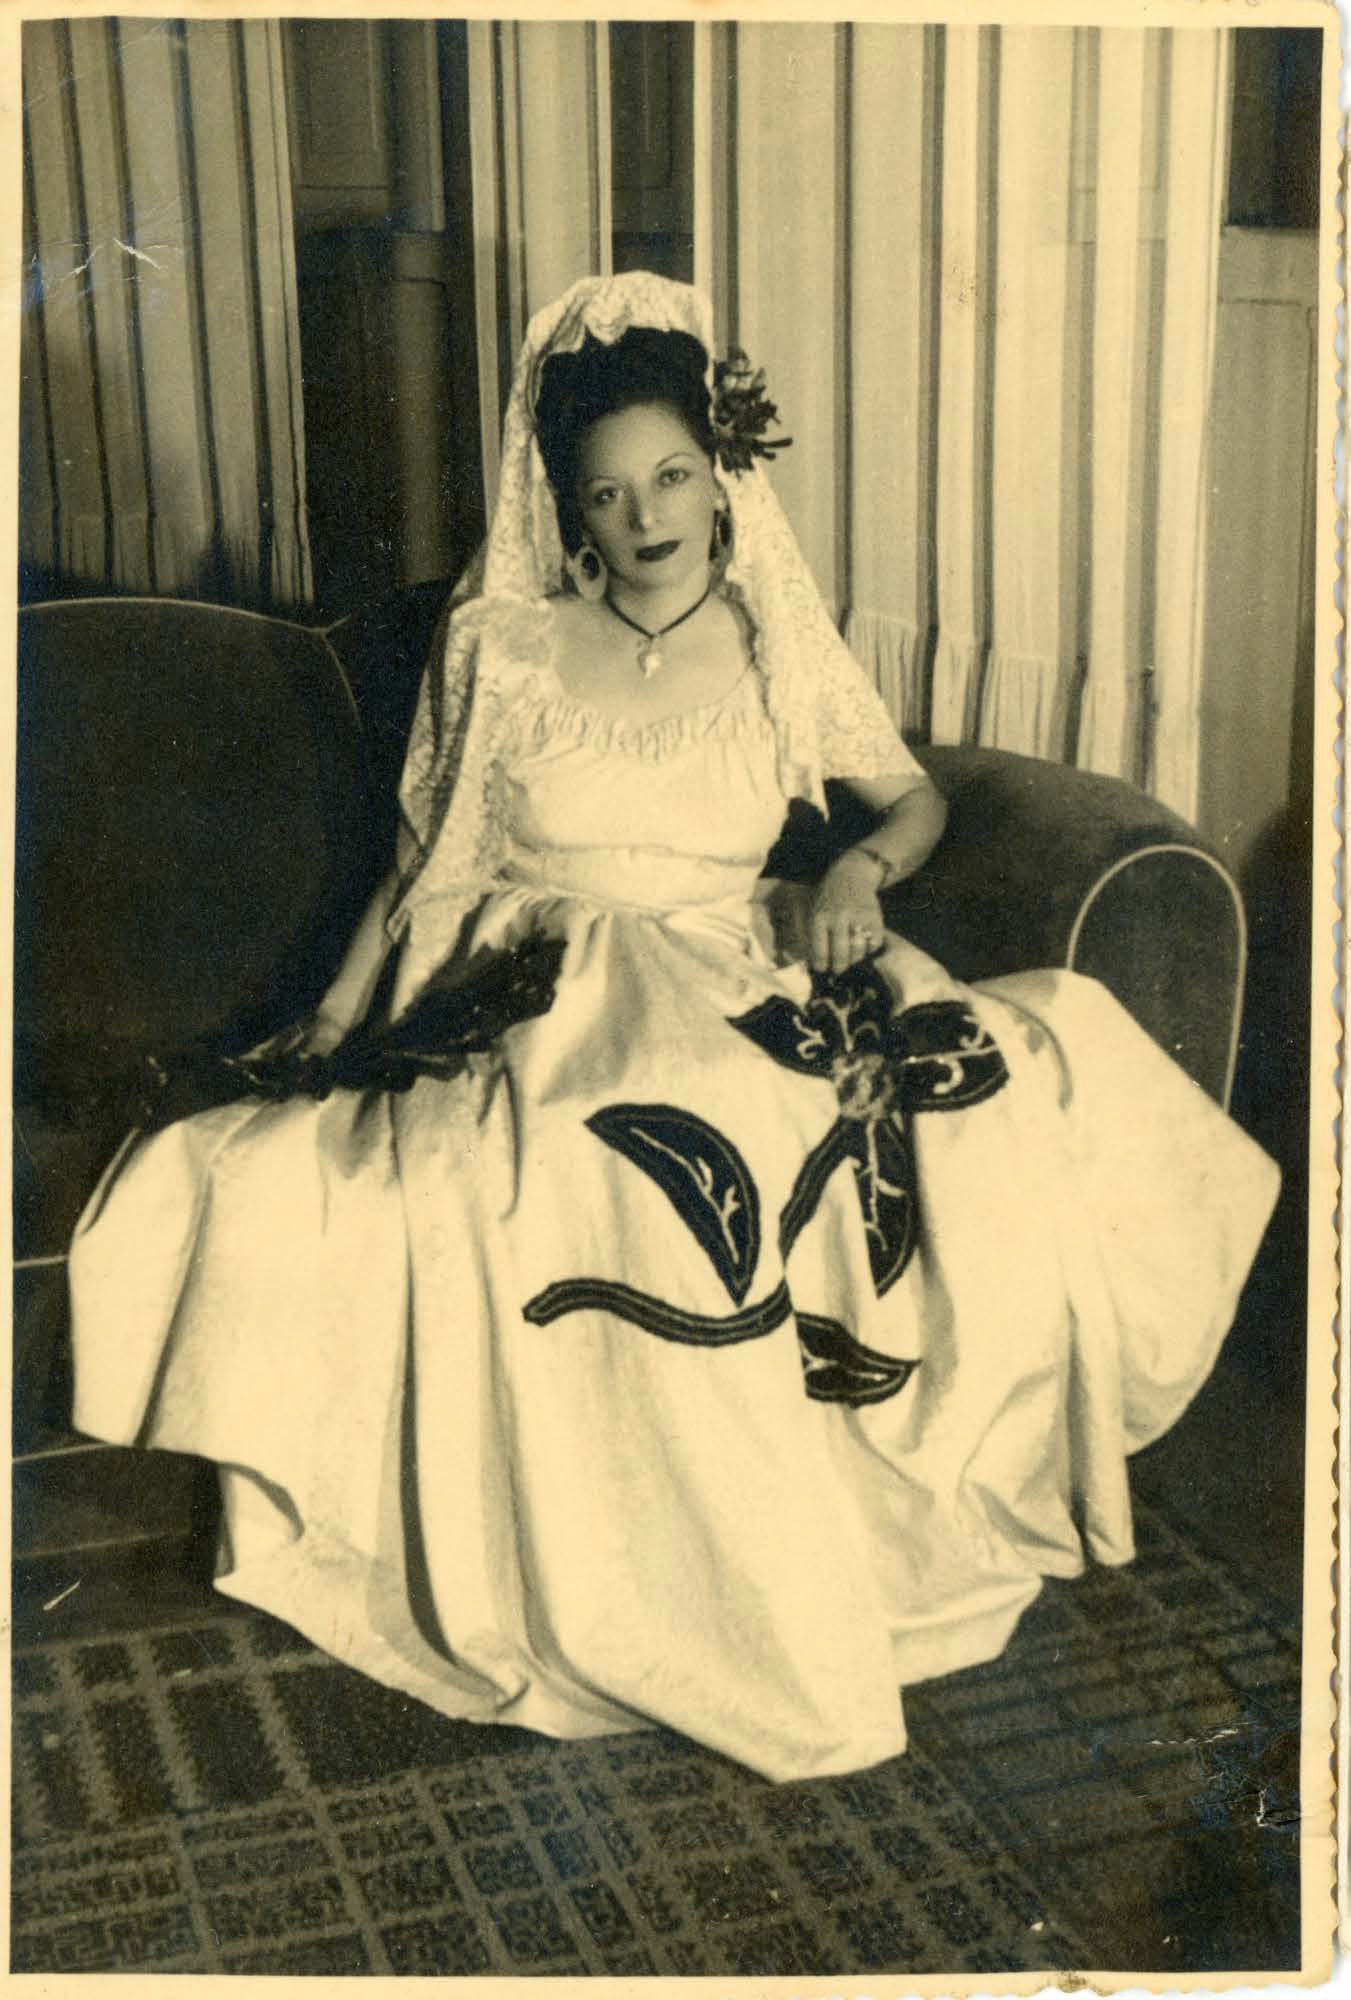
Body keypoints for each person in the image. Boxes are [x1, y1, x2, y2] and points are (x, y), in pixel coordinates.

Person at [69, 272, 1278, 1784]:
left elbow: (911, 799)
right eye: (606, 492)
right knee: (585, 1139)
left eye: (671, 477)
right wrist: (326, 1022)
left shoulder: (782, 649)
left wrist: (855, 870)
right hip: (529, 970)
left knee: (967, 1079)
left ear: (721, 478)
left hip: (731, 948)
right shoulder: (504, 648)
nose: (645, 518)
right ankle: (634, 1592)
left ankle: (768, 1564)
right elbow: (427, 863)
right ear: (566, 508)